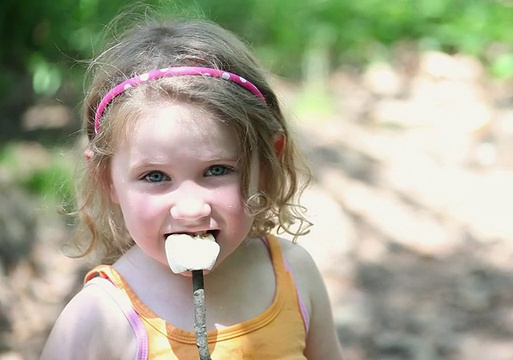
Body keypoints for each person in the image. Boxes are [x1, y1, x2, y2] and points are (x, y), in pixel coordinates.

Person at [40, 11, 344, 360]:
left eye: (217, 170)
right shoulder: (99, 318)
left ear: (269, 162)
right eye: (155, 176)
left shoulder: (294, 274)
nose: (191, 208)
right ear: (107, 178)